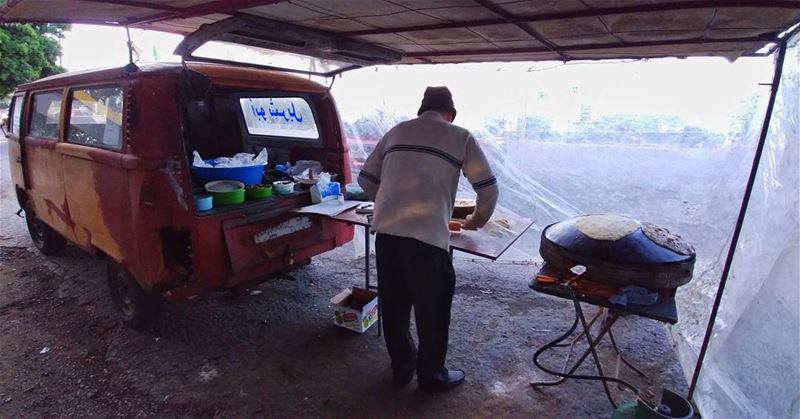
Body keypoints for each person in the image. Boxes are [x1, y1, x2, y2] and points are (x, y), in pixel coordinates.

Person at [357, 86, 498, 392]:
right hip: (428, 241)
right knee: (432, 310)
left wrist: (386, 203)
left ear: (422, 111)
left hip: (387, 235)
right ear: (450, 114)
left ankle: (402, 368)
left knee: (394, 307)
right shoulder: (460, 136)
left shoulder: (396, 131)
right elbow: (488, 190)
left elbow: (365, 179)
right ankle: (431, 375)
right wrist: (474, 222)